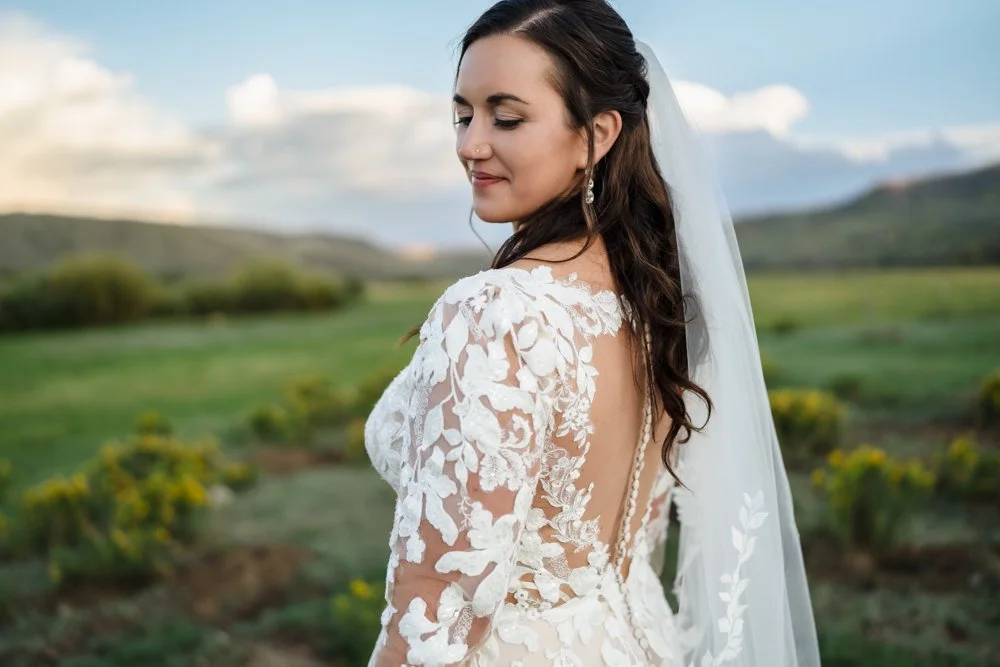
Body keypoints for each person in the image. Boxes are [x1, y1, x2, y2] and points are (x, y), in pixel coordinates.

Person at [364, 1, 821, 665]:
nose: (470, 144)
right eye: (463, 114)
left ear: (596, 133)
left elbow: (437, 600)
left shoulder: (493, 313)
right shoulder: (660, 301)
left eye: (506, 115)